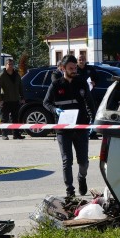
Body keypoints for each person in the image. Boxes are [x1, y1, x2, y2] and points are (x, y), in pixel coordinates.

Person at [44, 54, 96, 199]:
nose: (74, 70)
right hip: (63, 128)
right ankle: (70, 189)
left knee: (83, 161)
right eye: (71, 68)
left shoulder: (81, 82)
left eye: (75, 67)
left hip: (81, 126)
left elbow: (89, 102)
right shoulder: (56, 84)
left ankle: (82, 177)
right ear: (63, 69)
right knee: (67, 160)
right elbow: (46, 103)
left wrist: (93, 119)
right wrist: (55, 110)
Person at [0, 57, 24, 140]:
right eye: (9, 64)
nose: (10, 66)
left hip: (15, 100)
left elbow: (20, 87)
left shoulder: (16, 75)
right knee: (5, 118)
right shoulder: (2, 75)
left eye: (12, 64)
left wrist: (22, 97)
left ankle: (16, 134)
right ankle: (4, 134)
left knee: (15, 118)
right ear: (5, 65)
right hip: (6, 100)